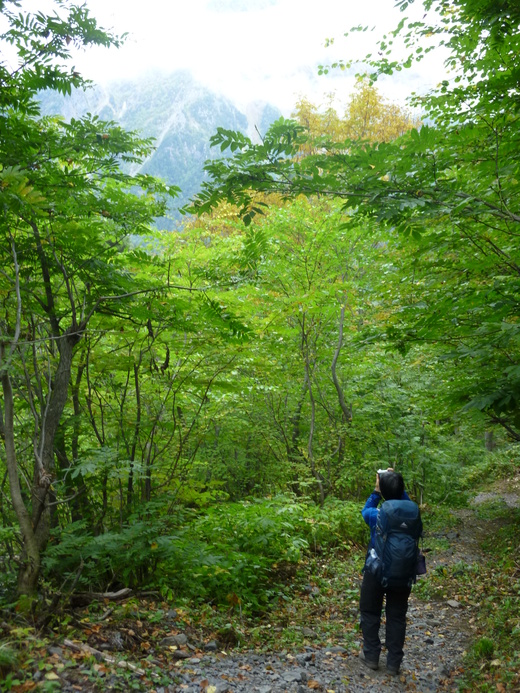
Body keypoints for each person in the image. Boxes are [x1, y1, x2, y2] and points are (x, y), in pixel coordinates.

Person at [359, 468, 416, 676]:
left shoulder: (377, 515)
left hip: (376, 570)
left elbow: (366, 510)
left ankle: (372, 656)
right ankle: (393, 664)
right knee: (397, 616)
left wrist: (376, 491)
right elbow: (407, 505)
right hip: (403, 572)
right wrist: (397, 486)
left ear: (382, 490)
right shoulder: (413, 512)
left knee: (370, 611)